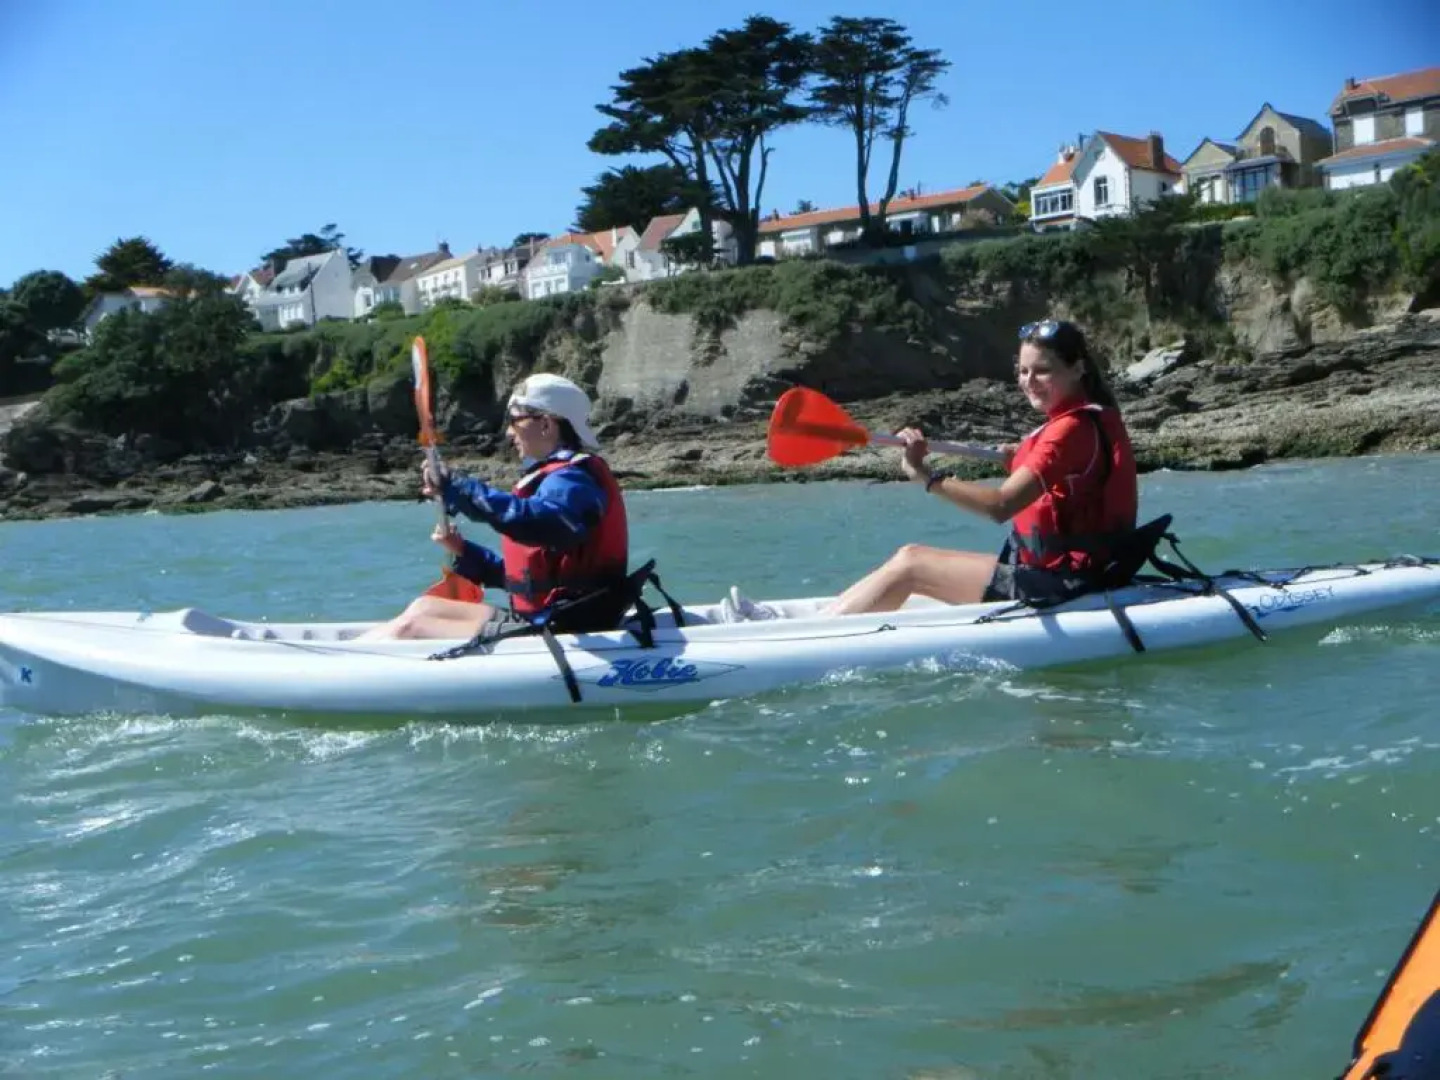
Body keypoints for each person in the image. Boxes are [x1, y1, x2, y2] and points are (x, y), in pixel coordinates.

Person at [723, 318, 1138, 620]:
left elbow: (1000, 506)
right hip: (1062, 573)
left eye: (1042, 370)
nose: (1029, 381)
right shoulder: (1082, 420)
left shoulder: (1070, 429)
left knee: (912, 563)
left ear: (1078, 368)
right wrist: (1023, 455)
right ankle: (809, 619)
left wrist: (926, 476)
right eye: (1023, 370)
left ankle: (811, 636)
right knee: (908, 564)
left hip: (1065, 585)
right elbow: (1068, 474)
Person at [360, 373, 630, 640]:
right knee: (424, 608)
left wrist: (457, 486)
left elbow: (542, 524)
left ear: (546, 425)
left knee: (413, 627)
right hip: (550, 616)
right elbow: (528, 579)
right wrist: (465, 551)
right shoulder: (557, 478)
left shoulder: (573, 480)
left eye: (515, 420)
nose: (510, 432)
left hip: (566, 625)